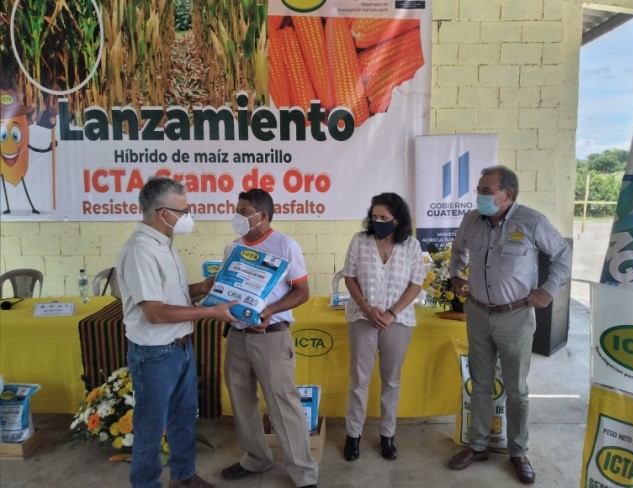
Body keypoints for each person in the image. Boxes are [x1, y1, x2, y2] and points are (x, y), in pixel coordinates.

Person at [447, 165, 572, 485]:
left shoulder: (531, 221)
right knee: (481, 383)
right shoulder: (471, 220)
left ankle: (518, 451)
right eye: (478, 190)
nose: (480, 197)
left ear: (508, 194)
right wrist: (456, 275)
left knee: (517, 389)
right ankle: (477, 446)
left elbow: (562, 254)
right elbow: (458, 250)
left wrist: (549, 290)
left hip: (515, 317)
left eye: (487, 191)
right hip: (477, 313)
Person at [116, 176, 238, 488]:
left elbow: (170, 294)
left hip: (181, 348)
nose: (188, 216)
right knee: (150, 428)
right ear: (162, 213)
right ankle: (146, 484)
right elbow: (155, 312)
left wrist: (203, 287)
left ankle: (183, 477)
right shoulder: (140, 250)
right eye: (183, 210)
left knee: (184, 419)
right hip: (154, 354)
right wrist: (211, 311)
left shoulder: (165, 245)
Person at [219, 188, 319, 488]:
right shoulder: (232, 247)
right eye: (236, 210)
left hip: (271, 337)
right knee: (242, 401)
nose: (238, 217)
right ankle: (256, 459)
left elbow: (302, 291)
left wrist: (271, 310)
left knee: (283, 404)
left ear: (263, 215)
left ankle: (303, 472)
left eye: (244, 211)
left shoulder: (285, 246)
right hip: (237, 337)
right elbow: (227, 288)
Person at [341, 192, 425, 462]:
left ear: (397, 219)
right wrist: (367, 308)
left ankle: (387, 435)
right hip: (361, 318)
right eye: (375, 216)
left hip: (398, 321)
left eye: (384, 218)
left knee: (391, 380)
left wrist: (391, 313)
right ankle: (353, 435)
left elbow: (416, 283)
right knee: (359, 381)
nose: (378, 221)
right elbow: (350, 277)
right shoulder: (360, 241)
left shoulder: (411, 246)